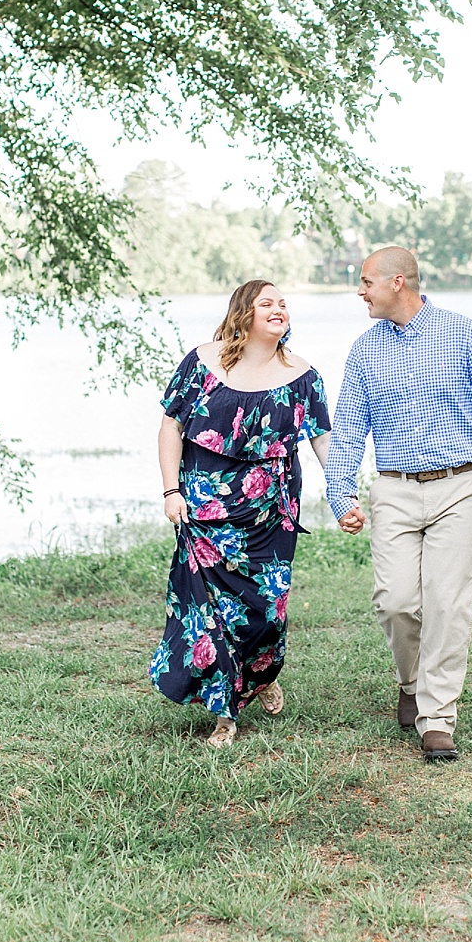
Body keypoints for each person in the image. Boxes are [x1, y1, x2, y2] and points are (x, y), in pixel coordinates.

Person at [325, 246, 472, 763]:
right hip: (393, 488)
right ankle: (411, 681)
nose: (360, 291)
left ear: (397, 283)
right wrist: (340, 490)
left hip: (461, 486)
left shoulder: (464, 333)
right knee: (395, 600)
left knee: (446, 602)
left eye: (366, 281)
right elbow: (348, 428)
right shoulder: (365, 350)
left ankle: (436, 719)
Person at [153, 280, 333, 747]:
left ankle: (262, 673)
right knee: (210, 612)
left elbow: (321, 440)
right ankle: (224, 714)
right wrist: (171, 490)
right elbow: (171, 427)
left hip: (270, 508)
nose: (279, 309)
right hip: (204, 503)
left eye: (283, 303)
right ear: (244, 313)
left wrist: (344, 492)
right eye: (267, 303)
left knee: (266, 611)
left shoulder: (303, 375)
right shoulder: (203, 363)